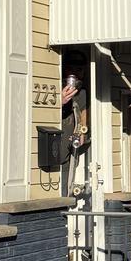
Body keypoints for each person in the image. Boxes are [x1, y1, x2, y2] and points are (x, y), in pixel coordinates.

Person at [60, 50, 89, 195]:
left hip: (72, 142)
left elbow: (83, 111)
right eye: (73, 69)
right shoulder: (59, 87)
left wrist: (82, 130)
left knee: (71, 169)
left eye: (80, 69)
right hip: (58, 140)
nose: (77, 73)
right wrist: (61, 101)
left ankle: (67, 199)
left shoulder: (82, 92)